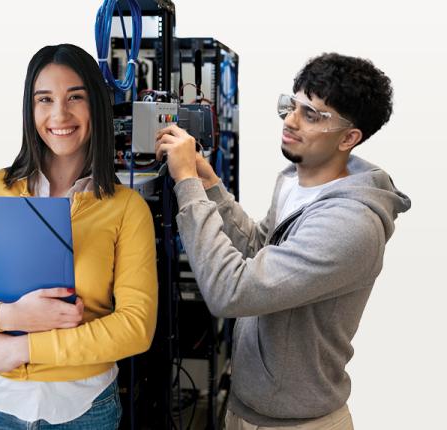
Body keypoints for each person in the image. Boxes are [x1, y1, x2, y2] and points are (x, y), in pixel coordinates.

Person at [155, 53, 411, 429]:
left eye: (312, 114)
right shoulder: (294, 179)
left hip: (298, 422)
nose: (290, 121)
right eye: (292, 106)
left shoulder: (351, 225)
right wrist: (210, 186)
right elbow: (260, 250)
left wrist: (187, 186)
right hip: (246, 410)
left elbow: (231, 291)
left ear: (349, 137)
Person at [0, 44, 158, 429]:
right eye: (45, 99)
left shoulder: (126, 209)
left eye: (75, 97)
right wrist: (8, 315)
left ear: (96, 105)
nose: (60, 114)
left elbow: (135, 328)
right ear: (30, 109)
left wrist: (24, 348)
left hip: (85, 409)